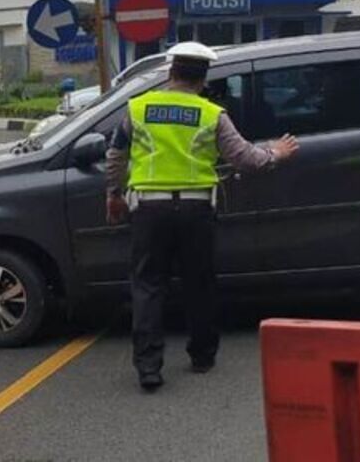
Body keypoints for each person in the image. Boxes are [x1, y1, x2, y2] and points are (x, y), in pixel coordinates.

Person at [105, 42, 299, 392]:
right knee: (199, 283)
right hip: (196, 211)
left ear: (170, 73)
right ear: (203, 78)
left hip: (149, 210)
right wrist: (278, 152)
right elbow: (247, 159)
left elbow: (115, 156)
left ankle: (149, 367)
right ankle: (202, 355)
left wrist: (113, 195)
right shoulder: (212, 114)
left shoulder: (137, 109)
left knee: (148, 286)